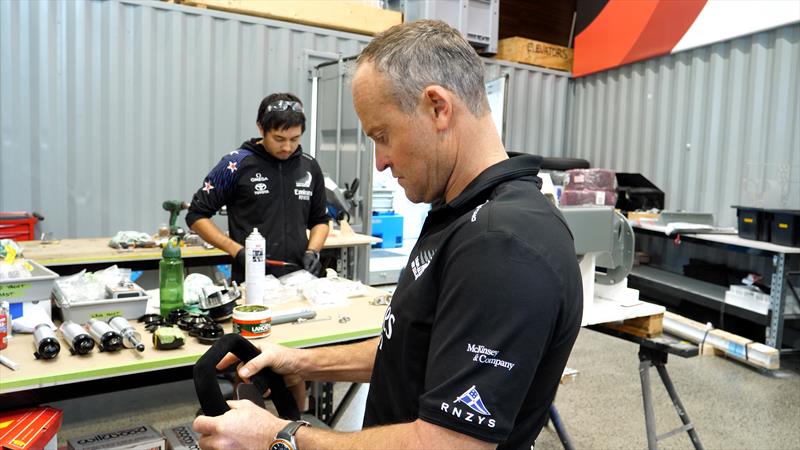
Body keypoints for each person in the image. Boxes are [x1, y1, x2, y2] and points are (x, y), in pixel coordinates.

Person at [194, 20, 582, 449]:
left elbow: (450, 445)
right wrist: (301, 361)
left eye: (382, 136)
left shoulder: (502, 244)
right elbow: (411, 348)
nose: (378, 162)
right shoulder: (461, 213)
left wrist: (279, 436)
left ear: (438, 108)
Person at [186, 93, 330, 283]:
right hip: (251, 283)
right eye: (279, 139)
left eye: (295, 139)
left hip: (299, 281)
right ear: (261, 128)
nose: (287, 147)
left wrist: (313, 251)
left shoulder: (309, 166)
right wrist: (237, 252)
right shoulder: (236, 164)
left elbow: (320, 220)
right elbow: (196, 216)